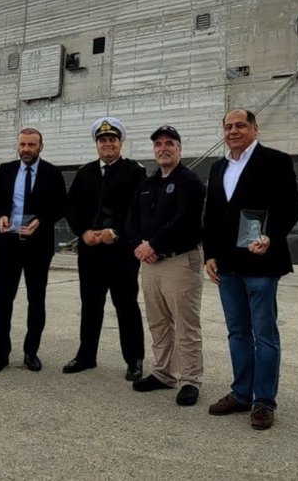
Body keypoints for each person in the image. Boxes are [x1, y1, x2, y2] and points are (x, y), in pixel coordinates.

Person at [202, 109, 298, 430]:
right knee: (237, 332)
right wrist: (209, 254)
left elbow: (289, 208)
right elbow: (212, 215)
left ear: (255, 129)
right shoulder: (218, 167)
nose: (233, 131)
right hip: (227, 266)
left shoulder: (276, 161)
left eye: (240, 125)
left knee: (264, 334)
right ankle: (241, 393)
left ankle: (264, 401)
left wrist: (270, 236)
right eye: (228, 126)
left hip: (261, 263)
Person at [125, 125, 206, 406]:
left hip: (179, 261)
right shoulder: (147, 184)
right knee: (158, 323)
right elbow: (131, 220)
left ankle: (190, 379)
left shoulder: (189, 181)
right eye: (158, 144)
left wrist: (154, 244)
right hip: (150, 263)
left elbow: (185, 220)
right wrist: (138, 245)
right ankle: (163, 373)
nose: (163, 148)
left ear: (179, 149)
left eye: (169, 143)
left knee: (186, 325)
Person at [62, 116, 147, 381]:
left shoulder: (135, 172)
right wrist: (83, 231)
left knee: (126, 305)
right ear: (96, 144)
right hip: (91, 252)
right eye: (102, 140)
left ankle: (134, 359)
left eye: (112, 139)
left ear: (120, 143)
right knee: (90, 305)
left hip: (121, 253)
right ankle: (86, 355)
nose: (107, 144)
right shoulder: (85, 173)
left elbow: (138, 209)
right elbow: (72, 208)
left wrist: (116, 232)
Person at [0, 127, 67, 374]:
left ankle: (31, 353)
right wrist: (0, 216)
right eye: (22, 145)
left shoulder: (52, 173)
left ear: (40, 146)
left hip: (38, 246)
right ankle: (1, 354)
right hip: (8, 244)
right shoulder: (6, 170)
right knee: (3, 301)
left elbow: (61, 206)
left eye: (31, 145)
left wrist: (41, 220)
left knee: (36, 300)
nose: (26, 149)